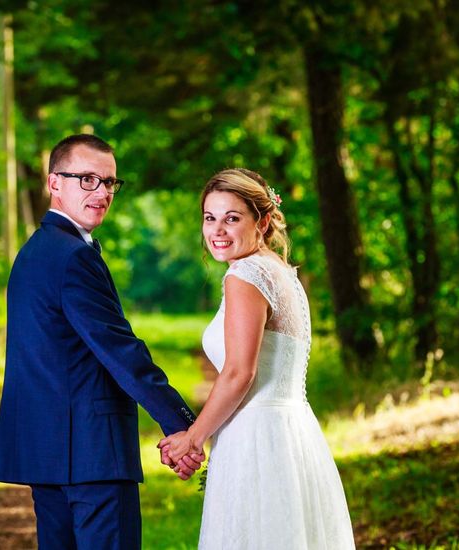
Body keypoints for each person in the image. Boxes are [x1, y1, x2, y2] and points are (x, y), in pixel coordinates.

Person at [0, 134, 205, 550]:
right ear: (54, 182)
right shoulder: (74, 257)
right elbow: (121, 352)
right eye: (87, 179)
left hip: (49, 454)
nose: (102, 192)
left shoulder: (35, 251)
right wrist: (183, 425)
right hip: (93, 454)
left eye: (109, 182)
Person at [159, 168, 356, 549]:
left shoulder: (246, 275)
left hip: (257, 438)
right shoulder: (282, 273)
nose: (218, 230)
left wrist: (193, 439)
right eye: (209, 218)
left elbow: (238, 372)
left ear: (262, 221)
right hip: (292, 431)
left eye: (232, 218)